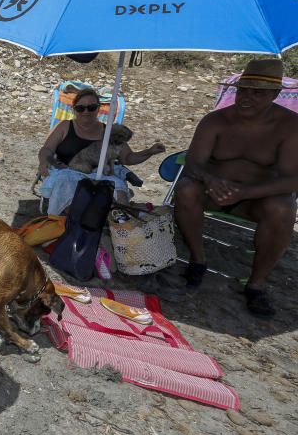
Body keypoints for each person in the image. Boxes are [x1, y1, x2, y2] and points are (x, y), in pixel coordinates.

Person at [174, 58, 298, 318]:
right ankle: (198, 259)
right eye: (242, 90)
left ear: (276, 94)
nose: (246, 98)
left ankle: (256, 283)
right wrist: (211, 180)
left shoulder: (289, 127)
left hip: (256, 200)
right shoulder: (216, 121)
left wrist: (245, 193)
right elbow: (194, 162)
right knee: (186, 189)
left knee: (284, 208)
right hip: (214, 193)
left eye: (257, 93)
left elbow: (291, 179)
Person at [38, 88, 164, 214]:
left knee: (118, 188)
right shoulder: (65, 126)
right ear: (74, 109)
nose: (86, 112)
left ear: (98, 108)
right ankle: (76, 222)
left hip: (100, 175)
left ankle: (120, 224)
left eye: (91, 107)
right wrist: (44, 162)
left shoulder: (110, 131)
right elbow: (47, 149)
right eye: (80, 108)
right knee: (66, 182)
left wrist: (150, 151)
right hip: (67, 171)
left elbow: (128, 158)